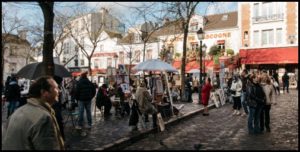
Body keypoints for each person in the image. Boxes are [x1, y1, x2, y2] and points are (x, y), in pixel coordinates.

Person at [2, 76, 65, 150]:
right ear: (44, 92)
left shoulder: (18, 111)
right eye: (56, 88)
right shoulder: (43, 118)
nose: (59, 91)